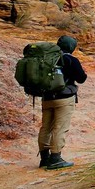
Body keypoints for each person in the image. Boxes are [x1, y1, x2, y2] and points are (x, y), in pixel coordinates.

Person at [38, 35, 87, 170]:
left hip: (46, 98)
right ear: (72, 47)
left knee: (45, 127)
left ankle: (44, 159)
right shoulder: (71, 59)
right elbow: (81, 78)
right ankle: (55, 159)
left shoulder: (47, 58)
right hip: (64, 99)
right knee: (60, 128)